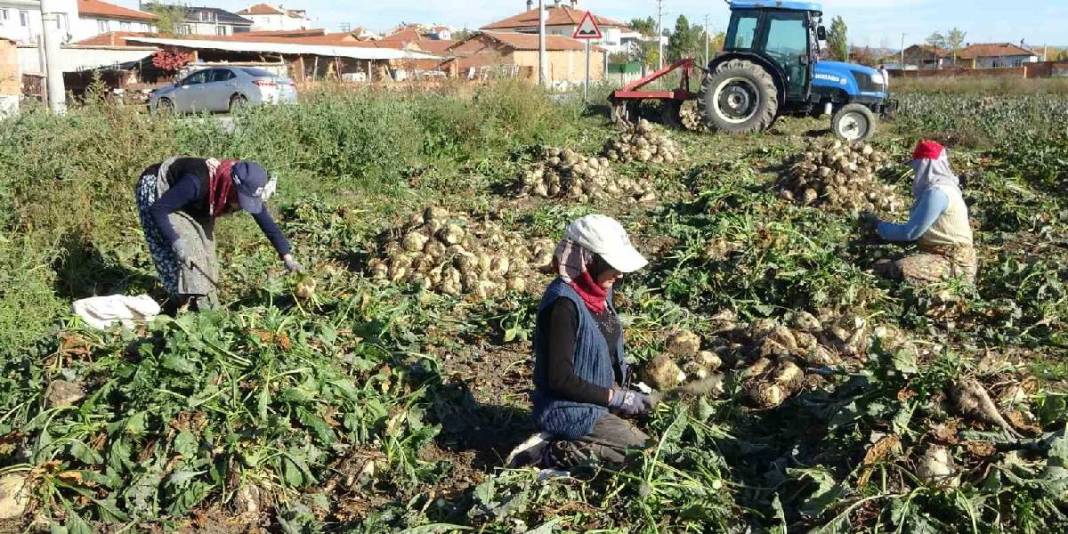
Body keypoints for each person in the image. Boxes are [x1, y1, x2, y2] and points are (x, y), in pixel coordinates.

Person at [508, 214, 654, 470]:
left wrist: (626, 391)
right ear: (588, 260)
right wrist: (615, 398)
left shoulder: (599, 290)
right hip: (568, 408)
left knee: (655, 440)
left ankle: (576, 439)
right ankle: (551, 452)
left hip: (597, 399)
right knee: (645, 457)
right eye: (612, 264)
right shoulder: (563, 305)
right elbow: (560, 379)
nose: (620, 274)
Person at [135, 157, 301, 311]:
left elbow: (268, 224)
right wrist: (175, 242)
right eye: (240, 200)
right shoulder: (196, 183)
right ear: (231, 187)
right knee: (182, 254)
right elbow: (158, 209)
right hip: (159, 192)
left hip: (195, 203)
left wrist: (288, 258)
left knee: (206, 255)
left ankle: (208, 307)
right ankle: (183, 308)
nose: (240, 206)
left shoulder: (238, 189)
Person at [862, 140, 977, 286]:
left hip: (955, 262)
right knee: (886, 262)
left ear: (925, 165)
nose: (916, 172)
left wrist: (879, 226)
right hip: (935, 253)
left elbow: (911, 232)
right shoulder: (944, 188)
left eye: (917, 167)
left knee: (899, 268)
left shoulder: (938, 193)